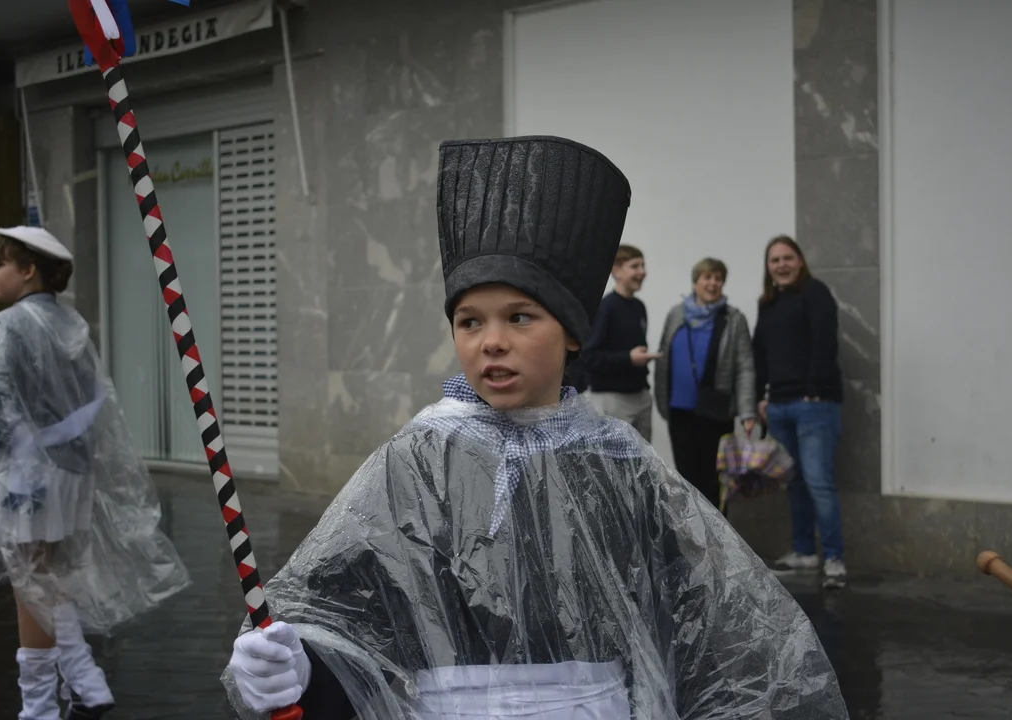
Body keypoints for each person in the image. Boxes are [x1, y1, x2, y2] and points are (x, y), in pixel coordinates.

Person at [223, 137, 849, 719]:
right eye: (470, 321)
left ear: (572, 333)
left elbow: (700, 625)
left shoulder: (621, 464)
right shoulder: (413, 461)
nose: (491, 341)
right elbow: (348, 612)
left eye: (519, 317)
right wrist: (294, 665)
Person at [0, 227, 191, 720]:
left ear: (28, 270)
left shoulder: (9, 324)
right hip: (71, 473)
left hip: (27, 476)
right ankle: (86, 681)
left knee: (32, 585)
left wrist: (5, 435)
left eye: (0, 263)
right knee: (50, 578)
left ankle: (39, 706)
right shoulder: (70, 323)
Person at [752, 235, 847, 589]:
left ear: (800, 261)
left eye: (787, 258)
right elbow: (760, 352)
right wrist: (761, 397)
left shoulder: (815, 293)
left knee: (819, 481)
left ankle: (834, 557)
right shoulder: (768, 303)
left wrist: (813, 390)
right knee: (794, 481)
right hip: (777, 405)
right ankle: (805, 551)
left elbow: (825, 341)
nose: (781, 265)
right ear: (768, 267)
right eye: (774, 260)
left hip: (814, 405)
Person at [653, 258, 756, 511]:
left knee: (714, 482)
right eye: (707, 277)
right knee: (686, 480)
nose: (713, 283)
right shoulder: (676, 314)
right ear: (695, 282)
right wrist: (662, 400)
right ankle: (691, 533)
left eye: (718, 278)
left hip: (715, 412)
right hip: (679, 411)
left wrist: (747, 410)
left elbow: (745, 366)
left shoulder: (734, 318)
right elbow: (664, 356)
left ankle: (717, 535)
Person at [580, 245, 660, 440]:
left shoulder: (639, 306)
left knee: (644, 458)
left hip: (640, 395)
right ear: (616, 270)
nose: (642, 272)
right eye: (635, 266)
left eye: (643, 265)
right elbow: (589, 357)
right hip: (611, 399)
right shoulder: (605, 308)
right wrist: (629, 359)